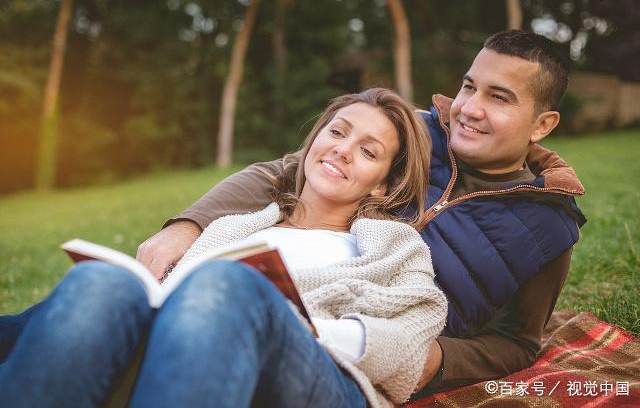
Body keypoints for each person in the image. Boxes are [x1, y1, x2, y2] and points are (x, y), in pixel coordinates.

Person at [137, 29, 587, 396]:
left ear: (542, 124)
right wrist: (186, 226)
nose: (470, 108)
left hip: (378, 348)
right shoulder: (411, 133)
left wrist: (432, 361)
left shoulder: (549, 225)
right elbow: (286, 171)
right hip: (312, 295)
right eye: (469, 86)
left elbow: (516, 342)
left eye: (499, 98)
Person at [1, 88, 448, 408]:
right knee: (101, 280)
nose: (343, 150)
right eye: (337, 132)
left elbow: (411, 341)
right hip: (183, 349)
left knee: (228, 280)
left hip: (314, 376)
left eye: (368, 152)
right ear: (314, 141)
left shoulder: (394, 246)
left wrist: (316, 331)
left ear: (386, 183)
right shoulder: (235, 227)